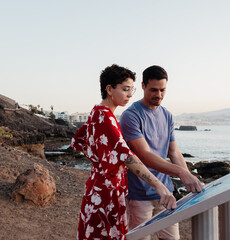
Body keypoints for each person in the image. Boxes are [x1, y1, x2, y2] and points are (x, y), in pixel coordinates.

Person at [70, 64, 176, 240]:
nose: (129, 95)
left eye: (131, 90)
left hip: (99, 189)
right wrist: (159, 185)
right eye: (125, 89)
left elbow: (78, 141)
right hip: (105, 193)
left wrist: (100, 163)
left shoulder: (97, 113)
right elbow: (127, 156)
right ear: (109, 89)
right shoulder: (105, 116)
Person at [120, 65, 205, 240]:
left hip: (166, 193)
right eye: (154, 90)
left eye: (162, 90)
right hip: (139, 195)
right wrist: (181, 172)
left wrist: (190, 178)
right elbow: (144, 155)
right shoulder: (131, 115)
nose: (158, 95)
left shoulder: (167, 115)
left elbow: (174, 152)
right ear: (143, 86)